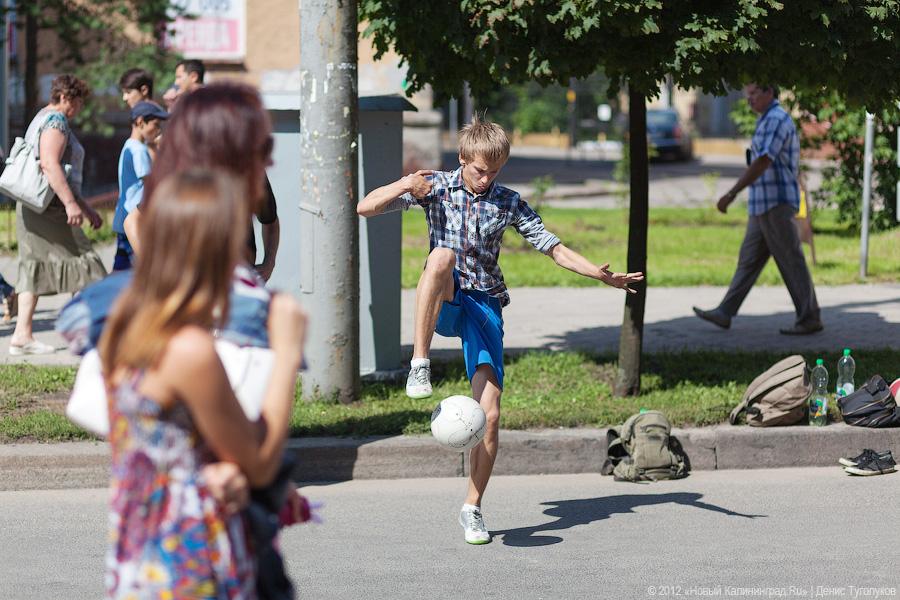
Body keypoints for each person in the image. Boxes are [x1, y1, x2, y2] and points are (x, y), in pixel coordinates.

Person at [357, 116, 643, 544]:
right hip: (447, 296)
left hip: (485, 305)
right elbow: (365, 207)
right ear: (462, 159)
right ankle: (420, 363)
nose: (486, 178)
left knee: (489, 416)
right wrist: (403, 184)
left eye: (494, 170)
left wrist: (599, 275)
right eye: (478, 170)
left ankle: (472, 508)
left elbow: (553, 247)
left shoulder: (508, 201)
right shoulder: (433, 185)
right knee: (439, 257)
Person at [99, 168, 307, 598]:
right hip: (192, 562)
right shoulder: (187, 349)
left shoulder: (128, 324)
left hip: (142, 555)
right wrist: (287, 354)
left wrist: (213, 470)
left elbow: (166, 442)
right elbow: (260, 462)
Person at [126, 63, 280, 281]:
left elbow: (270, 220)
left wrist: (269, 263)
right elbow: (133, 220)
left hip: (236, 282)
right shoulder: (179, 167)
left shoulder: (248, 168)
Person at [693, 83, 823, 335]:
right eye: (747, 94)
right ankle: (725, 311)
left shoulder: (775, 119)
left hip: (776, 203)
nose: (749, 99)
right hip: (762, 204)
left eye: (754, 93)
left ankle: (809, 317)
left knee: (790, 259)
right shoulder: (766, 119)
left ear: (769, 92)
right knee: (749, 260)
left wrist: (731, 194)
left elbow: (763, 160)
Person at [10, 74, 106, 355]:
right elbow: (51, 165)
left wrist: (85, 207)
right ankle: (86, 333)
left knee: (35, 265)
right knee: (87, 266)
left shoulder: (41, 116)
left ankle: (21, 335)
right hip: (50, 207)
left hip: (32, 205)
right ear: (65, 97)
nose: (78, 109)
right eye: (77, 102)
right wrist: (71, 205)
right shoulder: (56, 121)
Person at [112, 101, 168, 271]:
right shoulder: (139, 150)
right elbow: (151, 181)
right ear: (140, 122)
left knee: (121, 269)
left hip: (123, 214)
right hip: (134, 217)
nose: (158, 130)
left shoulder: (129, 145)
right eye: (156, 125)